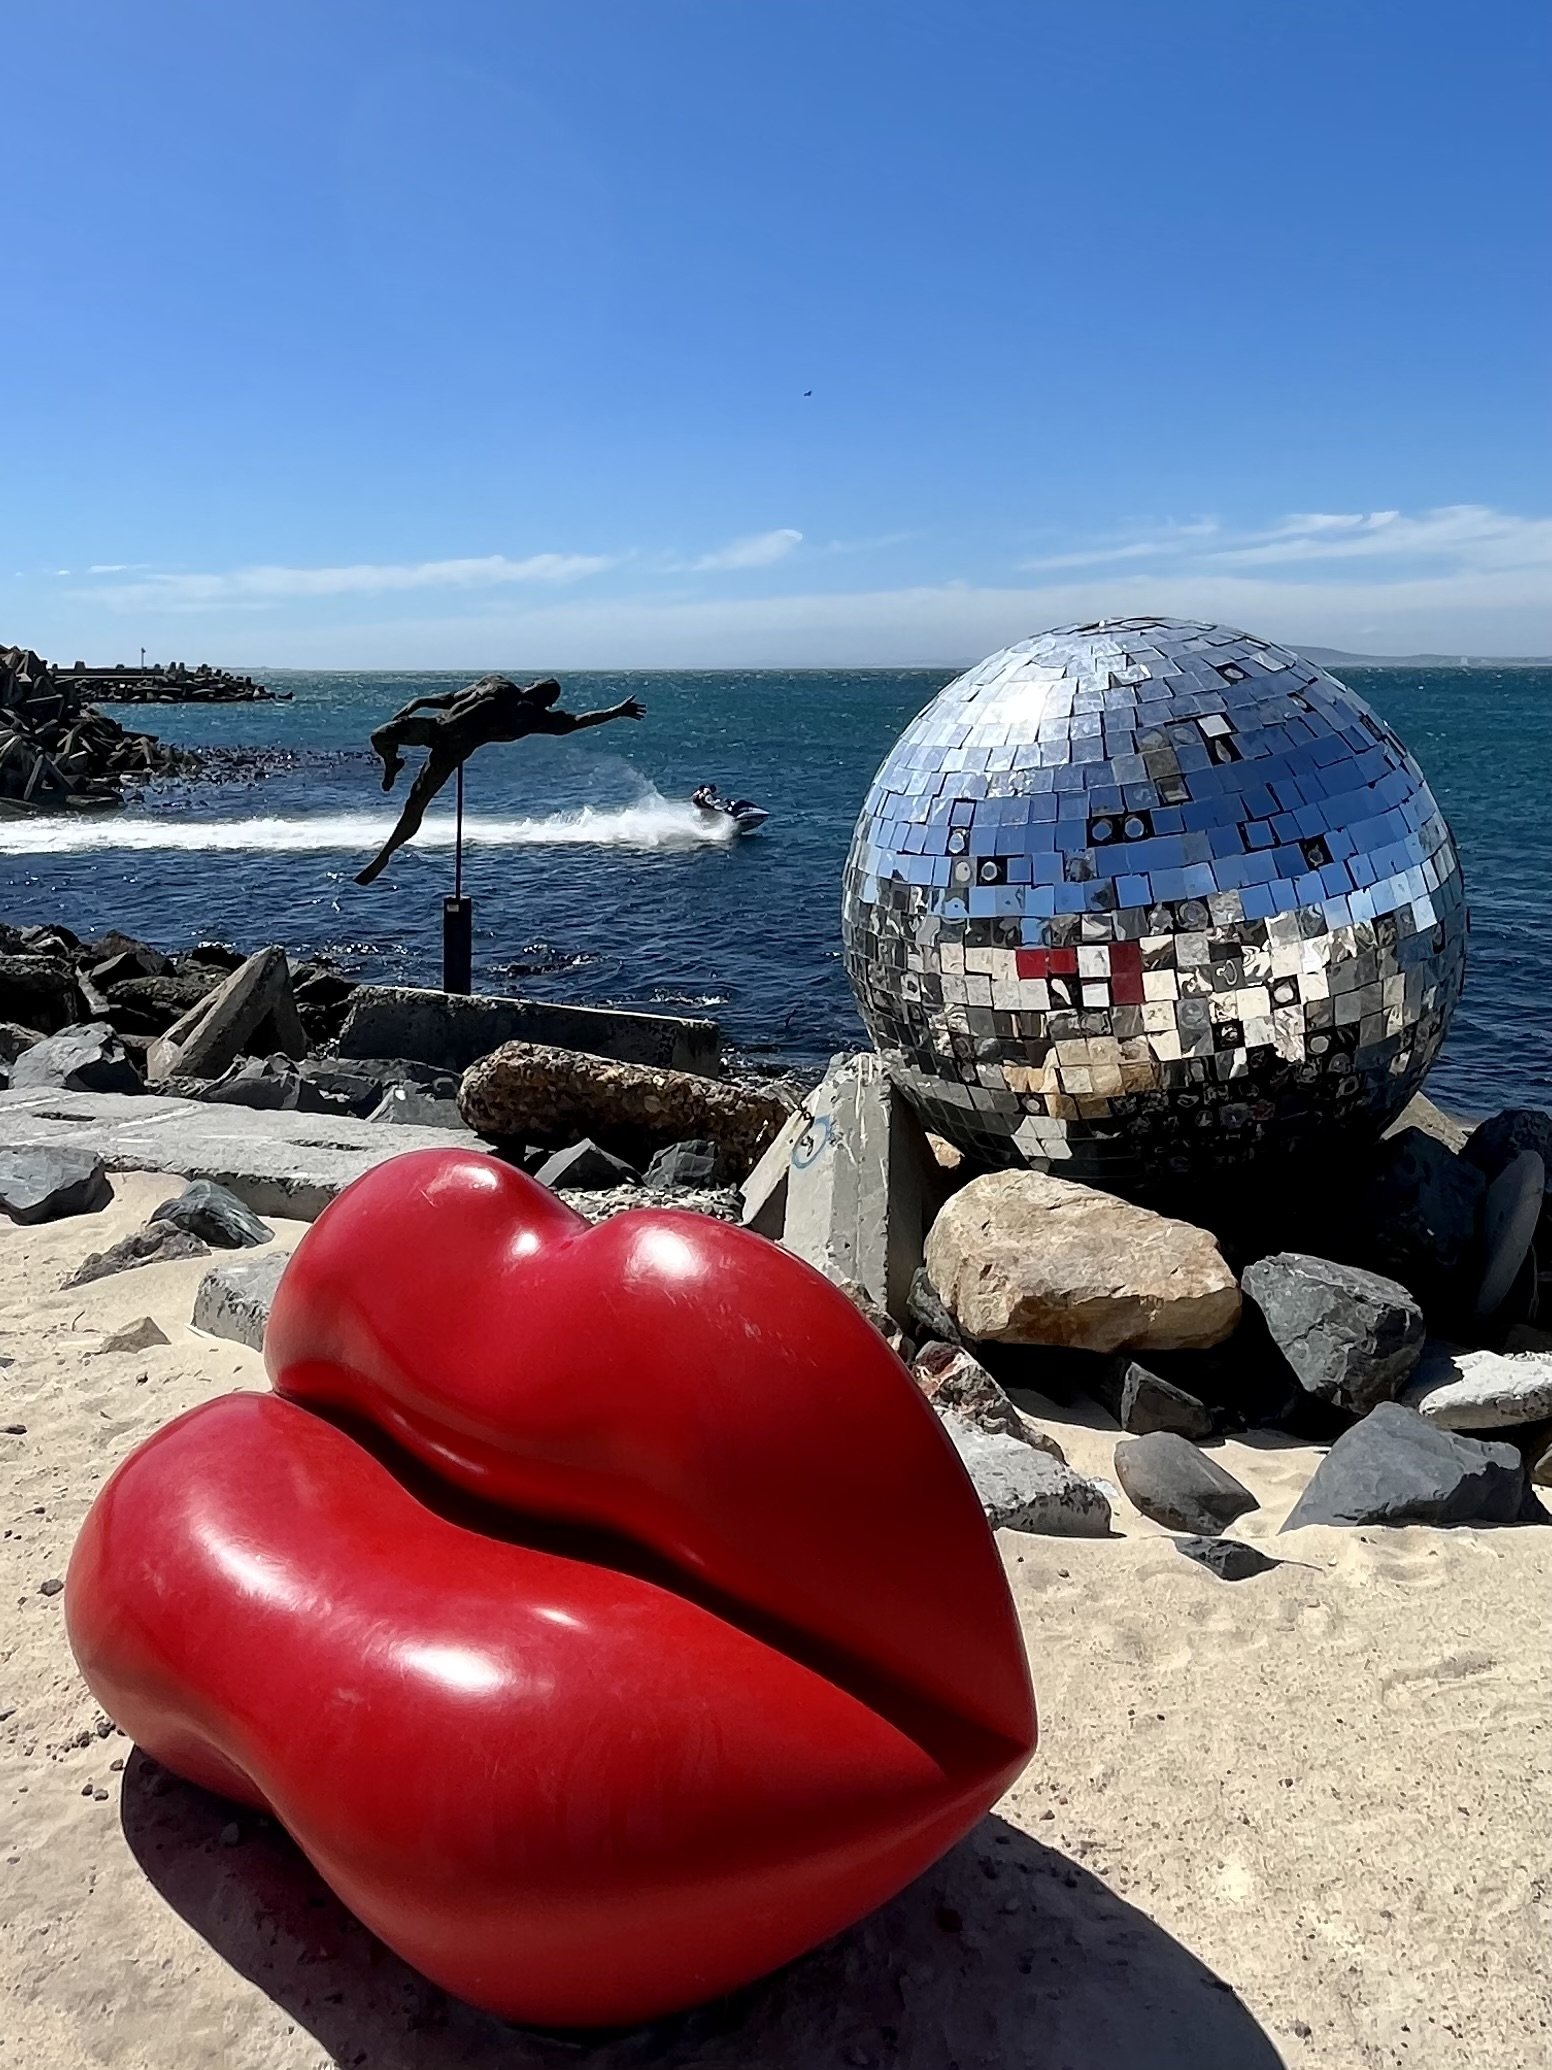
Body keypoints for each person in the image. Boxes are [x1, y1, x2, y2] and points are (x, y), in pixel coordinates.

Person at [355, 675, 645, 886]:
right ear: (531, 684)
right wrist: (418, 702)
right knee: (380, 736)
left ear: (547, 703)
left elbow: (580, 721)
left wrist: (616, 712)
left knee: (416, 804)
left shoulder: (531, 719)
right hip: (435, 727)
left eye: (546, 696)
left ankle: (385, 854)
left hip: (452, 750)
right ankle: (392, 763)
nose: (540, 695)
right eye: (541, 689)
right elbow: (452, 698)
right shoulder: (497, 684)